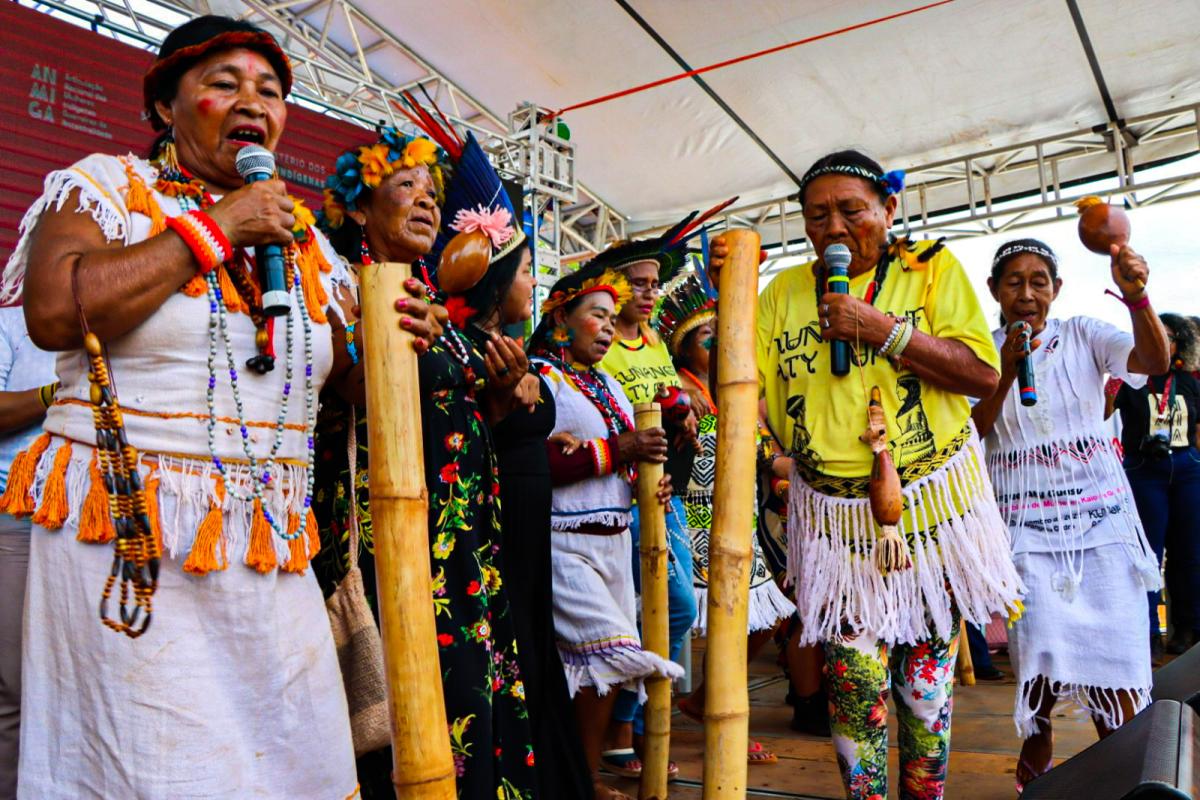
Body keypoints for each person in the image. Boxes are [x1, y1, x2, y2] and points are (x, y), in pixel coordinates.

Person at [0, 16, 438, 798]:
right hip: (129, 545)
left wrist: (398, 337)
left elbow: (347, 385)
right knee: (157, 768)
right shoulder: (109, 187)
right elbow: (56, 312)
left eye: (269, 90)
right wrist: (213, 230)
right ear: (164, 106)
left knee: (297, 764)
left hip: (268, 547)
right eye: (224, 83)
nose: (252, 102)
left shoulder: (302, 239)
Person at [756, 150, 1023, 800]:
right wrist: (769, 457)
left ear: (889, 209)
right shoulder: (782, 293)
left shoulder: (930, 271)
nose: (834, 228)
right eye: (817, 216)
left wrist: (884, 331)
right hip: (836, 527)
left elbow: (981, 374)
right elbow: (747, 397)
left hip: (930, 520)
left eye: (852, 210)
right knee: (853, 692)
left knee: (925, 695)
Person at [315, 124, 537, 798]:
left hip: (461, 536)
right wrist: (390, 333)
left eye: (432, 193)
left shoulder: (434, 300)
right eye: (405, 184)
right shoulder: (338, 291)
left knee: (471, 688)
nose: (425, 200)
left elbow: (459, 418)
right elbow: (350, 390)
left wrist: (499, 393)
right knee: (416, 699)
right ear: (359, 209)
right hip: (393, 537)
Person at [971, 238, 1168, 790]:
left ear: (1056, 289)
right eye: (1014, 282)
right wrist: (1006, 371)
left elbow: (1153, 362)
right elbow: (971, 432)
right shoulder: (980, 353)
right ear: (994, 291)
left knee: (1118, 671)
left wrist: (1137, 297)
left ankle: (1128, 777)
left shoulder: (1084, 333)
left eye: (1039, 282)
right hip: (1026, 532)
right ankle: (1038, 753)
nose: (1027, 294)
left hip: (1103, 527)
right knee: (1037, 657)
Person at [459, 183, 596, 800]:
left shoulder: (510, 349)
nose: (532, 282)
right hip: (500, 520)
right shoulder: (468, 348)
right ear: (494, 278)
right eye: (523, 271)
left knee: (536, 642)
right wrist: (500, 404)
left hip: (530, 522)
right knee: (513, 642)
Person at [528, 264, 681, 800]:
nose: (609, 327)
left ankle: (580, 777)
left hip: (615, 541)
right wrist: (620, 449)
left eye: (613, 318)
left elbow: (619, 462)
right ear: (560, 318)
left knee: (594, 672)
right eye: (597, 315)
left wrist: (649, 483)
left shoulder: (610, 383)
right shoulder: (540, 377)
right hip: (564, 542)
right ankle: (582, 780)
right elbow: (536, 462)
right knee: (608, 653)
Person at [590, 212, 725, 778]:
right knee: (641, 609)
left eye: (653, 284)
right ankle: (626, 729)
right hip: (616, 495)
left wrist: (682, 415)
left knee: (678, 607)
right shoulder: (599, 344)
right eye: (637, 283)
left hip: (664, 491)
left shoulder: (652, 342)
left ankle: (635, 722)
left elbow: (665, 402)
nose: (648, 294)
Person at [655, 269, 794, 765]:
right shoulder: (678, 390)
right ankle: (653, 725)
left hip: (739, 524)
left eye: (722, 335)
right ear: (683, 350)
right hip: (691, 522)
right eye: (707, 338)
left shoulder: (739, 392)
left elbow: (764, 453)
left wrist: (801, 471)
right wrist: (675, 394)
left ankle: (706, 699)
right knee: (693, 619)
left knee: (764, 617)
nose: (718, 345)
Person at [1110, 313, 1200, 657]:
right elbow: (1100, 413)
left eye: (1169, 337)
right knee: (1147, 554)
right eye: (1156, 335)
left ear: (1179, 345)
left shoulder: (1188, 381)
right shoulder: (1130, 379)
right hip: (1144, 468)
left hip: (1187, 467)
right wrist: (1112, 385)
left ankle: (1187, 630)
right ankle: (1147, 632)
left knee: (1189, 553)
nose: (1163, 342)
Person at [0, 308, 56, 799]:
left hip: (92, 528)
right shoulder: (11, 325)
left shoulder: (121, 326)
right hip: (17, 521)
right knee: (16, 686)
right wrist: (57, 396)